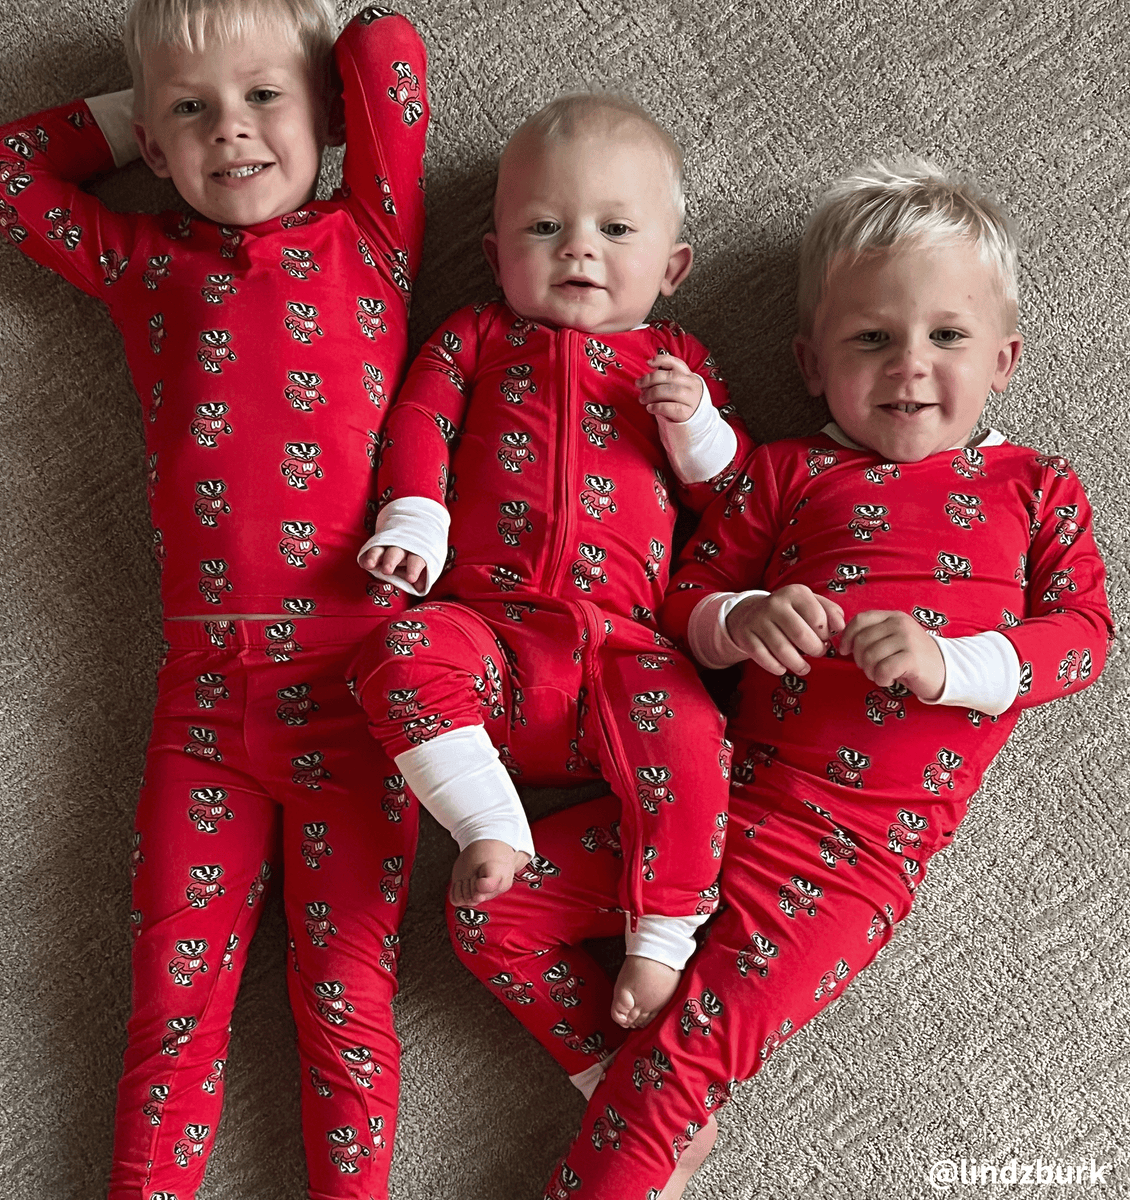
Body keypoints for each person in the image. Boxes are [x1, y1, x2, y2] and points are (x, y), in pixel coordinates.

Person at [459, 158, 1113, 1200]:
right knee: (491, 910)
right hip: (708, 801)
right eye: (871, 339)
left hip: (852, 854)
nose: (908, 365)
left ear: (1004, 359)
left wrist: (952, 663)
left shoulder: (1035, 488)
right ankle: (647, 1109)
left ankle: (651, 1124)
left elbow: (1083, 636)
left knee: (679, 1065)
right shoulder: (785, 472)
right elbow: (684, 605)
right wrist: (744, 620)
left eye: (945, 337)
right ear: (811, 364)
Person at [0, 3, 428, 1196]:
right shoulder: (138, 261)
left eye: (264, 99)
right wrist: (148, 104)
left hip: (364, 691)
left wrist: (299, 68)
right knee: (171, 1011)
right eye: (193, 115)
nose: (232, 132)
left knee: (345, 1008)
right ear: (155, 152)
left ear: (324, 114)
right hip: (206, 704)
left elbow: (390, 53)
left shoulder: (372, 238)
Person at [350, 92, 753, 1039]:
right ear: (495, 256)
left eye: (615, 229)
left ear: (672, 267)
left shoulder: (677, 359)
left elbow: (728, 494)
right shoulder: (476, 337)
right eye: (545, 226)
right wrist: (417, 516)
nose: (579, 249)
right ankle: (489, 823)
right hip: (488, 637)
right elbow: (419, 423)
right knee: (396, 653)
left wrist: (693, 423)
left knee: (699, 740)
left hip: (625, 654)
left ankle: (663, 930)